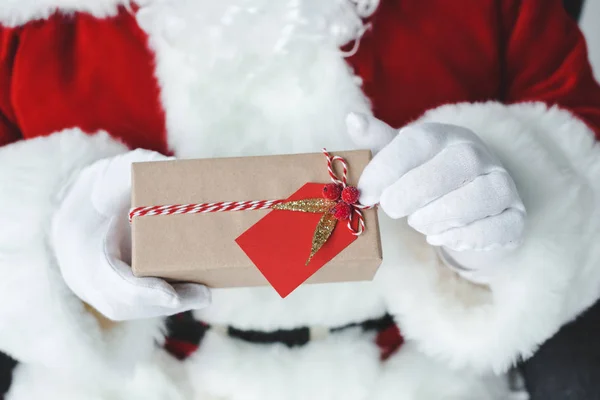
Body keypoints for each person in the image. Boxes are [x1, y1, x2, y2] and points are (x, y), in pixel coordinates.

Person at [1, 0, 599, 398]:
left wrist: (514, 209)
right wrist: (43, 243)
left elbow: (581, 138)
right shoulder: (24, 23)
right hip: (137, 381)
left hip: (423, 375)